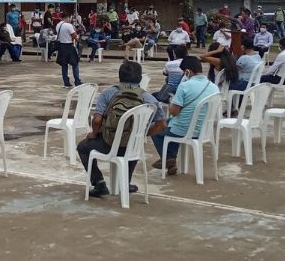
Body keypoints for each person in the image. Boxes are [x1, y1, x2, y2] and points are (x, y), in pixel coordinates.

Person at [77, 61, 166, 197]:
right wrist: (141, 134)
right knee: (131, 144)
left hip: (109, 144)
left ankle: (99, 183)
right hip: (133, 147)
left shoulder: (108, 93)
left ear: (119, 76)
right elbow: (162, 125)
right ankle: (126, 183)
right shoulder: (149, 99)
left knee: (82, 147)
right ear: (140, 78)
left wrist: (94, 133)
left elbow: (97, 120)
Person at [151, 56, 219, 176]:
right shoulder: (214, 87)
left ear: (187, 71)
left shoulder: (185, 86)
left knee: (156, 128)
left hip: (184, 129)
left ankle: (168, 159)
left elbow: (174, 111)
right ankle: (170, 160)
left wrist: (173, 100)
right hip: (203, 129)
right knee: (170, 124)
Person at [55, 12, 81, 88]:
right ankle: (77, 81)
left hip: (62, 46)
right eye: (69, 18)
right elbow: (74, 35)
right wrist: (76, 37)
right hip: (69, 45)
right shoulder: (68, 25)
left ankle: (66, 82)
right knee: (75, 64)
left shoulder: (58, 25)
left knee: (64, 65)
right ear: (67, 18)